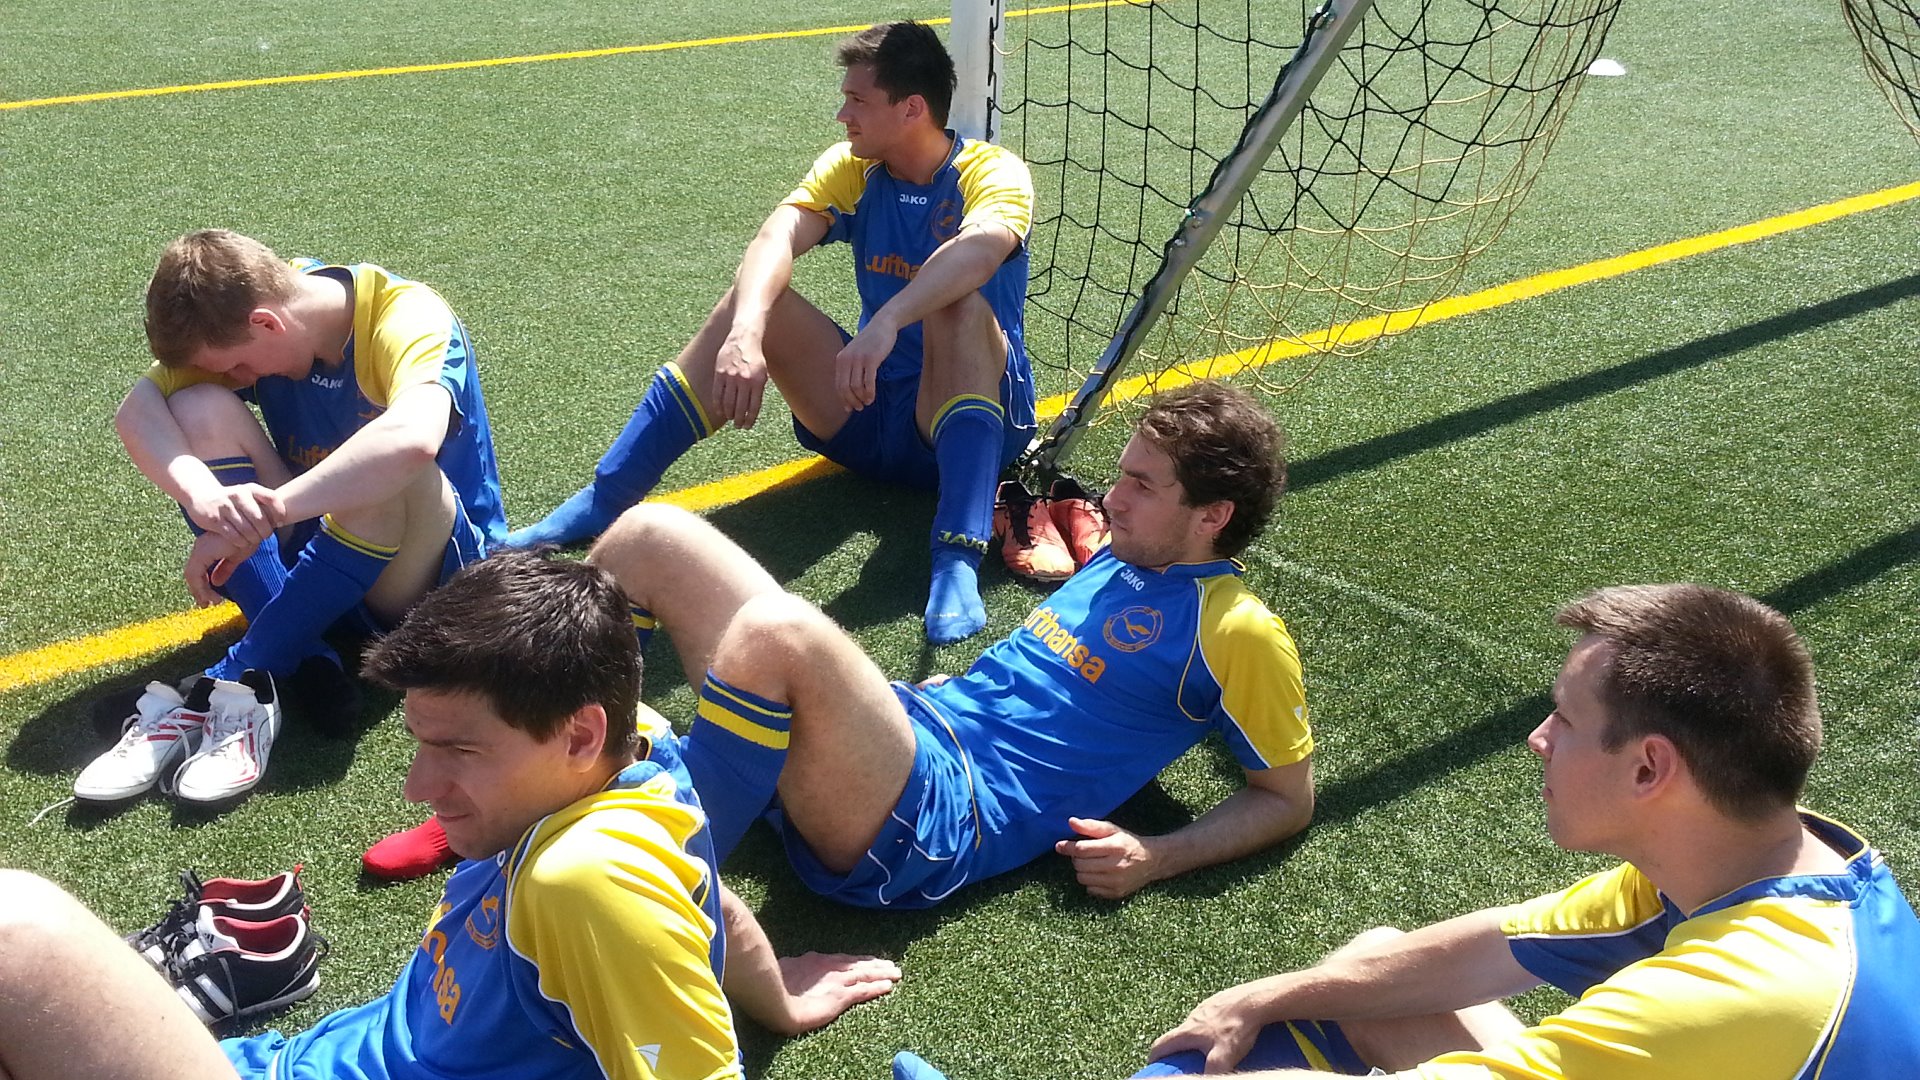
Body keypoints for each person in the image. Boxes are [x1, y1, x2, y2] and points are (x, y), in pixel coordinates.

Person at [0, 551, 896, 1080]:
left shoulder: (584, 881)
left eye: (459, 750)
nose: (417, 787)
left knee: (17, 933)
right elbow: (700, 895)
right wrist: (774, 996)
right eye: (419, 743)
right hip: (300, 1057)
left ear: (580, 733)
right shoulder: (642, 750)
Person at [1116, 583, 1920, 1078]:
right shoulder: (1762, 855)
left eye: (1564, 719)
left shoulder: (1739, 995)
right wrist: (1257, 998)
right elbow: (1491, 950)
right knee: (1373, 961)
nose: (1538, 738)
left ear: (1649, 769)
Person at [578, 380, 1313, 912]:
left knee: (781, 632)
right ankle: (555, 762)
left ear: (1212, 516)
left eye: (1143, 487)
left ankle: (642, 883)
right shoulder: (1127, 554)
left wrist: (1157, 855)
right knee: (648, 535)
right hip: (909, 734)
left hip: (941, 813)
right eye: (1122, 475)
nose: (1112, 498)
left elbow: (1286, 799)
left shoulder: (1235, 630)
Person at [506, 20, 1038, 647]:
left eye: (858, 100)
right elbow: (776, 235)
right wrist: (746, 331)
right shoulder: (855, 168)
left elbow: (980, 251)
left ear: (912, 109)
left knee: (958, 308)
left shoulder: (992, 171)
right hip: (867, 409)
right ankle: (608, 496)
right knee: (757, 301)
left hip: (965, 428)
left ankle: (956, 556)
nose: (842, 115)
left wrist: (889, 319)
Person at [78, 229, 505, 810]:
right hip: (322, 542)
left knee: (388, 462)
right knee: (195, 406)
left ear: (267, 323)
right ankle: (308, 657)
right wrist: (207, 502)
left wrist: (269, 511)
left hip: (431, 582)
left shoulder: (407, 315)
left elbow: (412, 440)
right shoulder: (267, 301)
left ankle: (232, 676)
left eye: (239, 365)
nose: (239, 379)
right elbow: (138, 410)